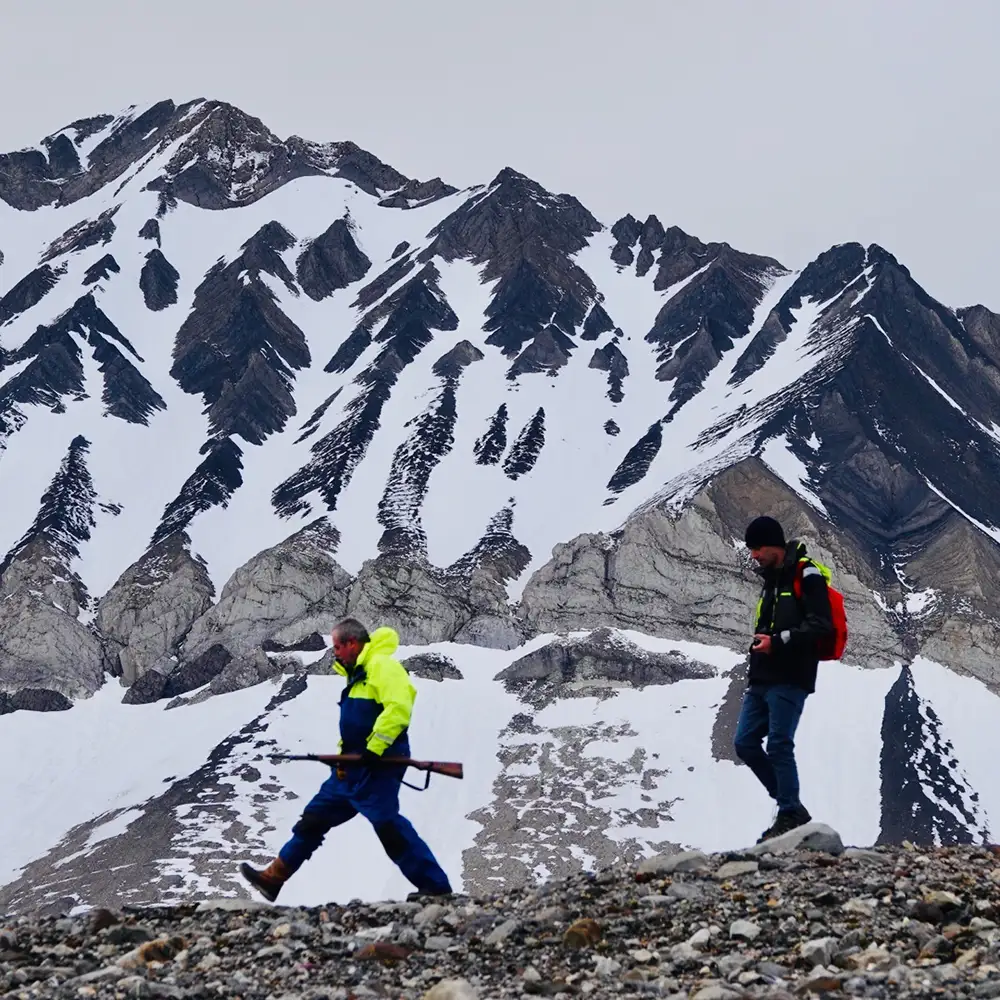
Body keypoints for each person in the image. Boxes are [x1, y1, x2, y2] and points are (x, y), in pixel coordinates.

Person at [240, 618, 453, 902]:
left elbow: (399, 708)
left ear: (353, 643)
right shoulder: (357, 674)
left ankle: (435, 886)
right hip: (350, 768)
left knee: (389, 826)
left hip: (378, 766)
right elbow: (355, 726)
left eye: (338, 646)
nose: (335, 653)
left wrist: (373, 750)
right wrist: (343, 758)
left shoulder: (382, 667)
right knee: (313, 820)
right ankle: (273, 878)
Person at [734, 515, 834, 843]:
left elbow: (822, 626)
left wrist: (776, 642)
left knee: (778, 743)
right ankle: (791, 807)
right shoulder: (771, 579)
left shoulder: (807, 575)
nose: (754, 555)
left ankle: (789, 812)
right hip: (763, 676)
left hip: (792, 676)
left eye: (758, 548)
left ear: (774, 545)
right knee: (745, 743)